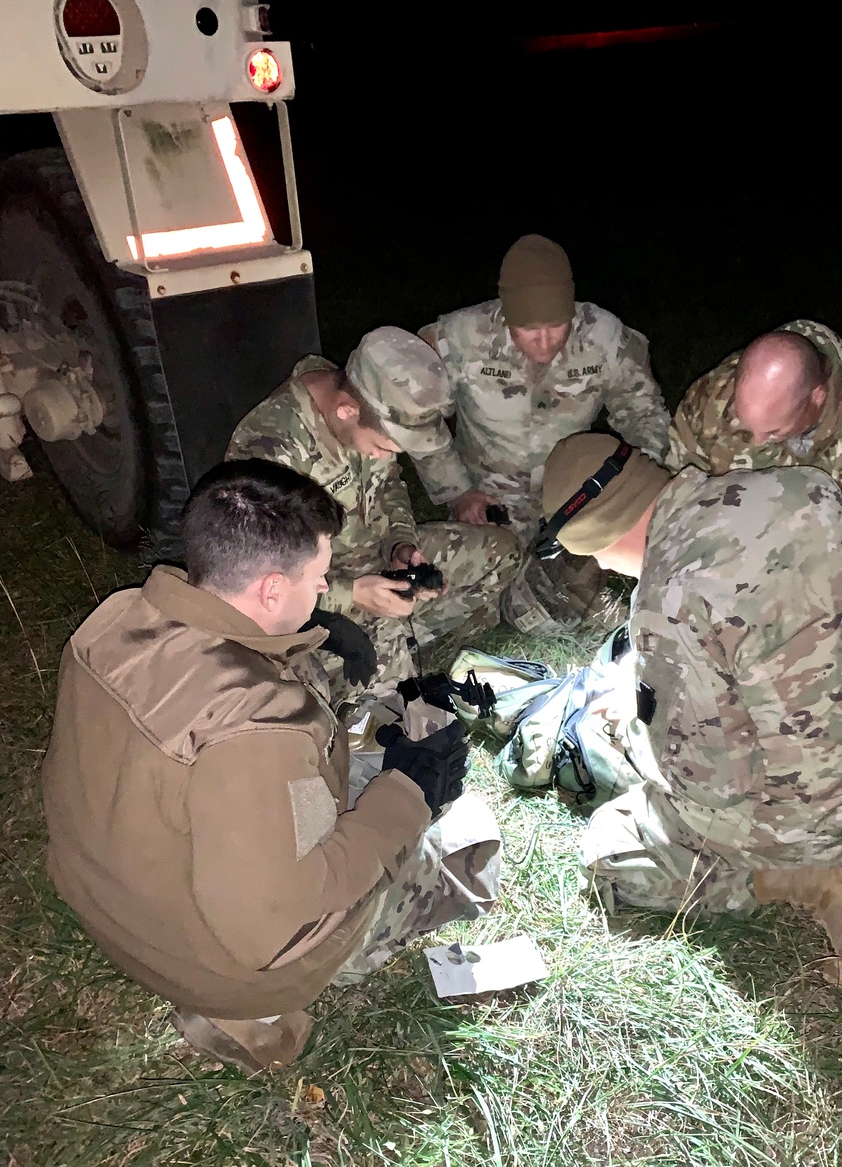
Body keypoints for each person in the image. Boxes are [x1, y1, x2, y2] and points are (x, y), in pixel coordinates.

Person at [41, 459, 502, 1073]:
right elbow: (273, 921)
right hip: (217, 966)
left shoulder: (119, 620)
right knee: (455, 837)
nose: (323, 590)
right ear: (270, 590)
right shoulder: (260, 727)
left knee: (359, 778)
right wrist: (409, 793)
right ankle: (260, 1004)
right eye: (318, 577)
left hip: (107, 895)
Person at [540, 433, 842, 990]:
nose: (607, 571)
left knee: (607, 846)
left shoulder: (667, 602)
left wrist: (633, 732)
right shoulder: (801, 484)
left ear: (602, 540)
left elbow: (710, 782)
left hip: (826, 812)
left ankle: (805, 877)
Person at [226, 327, 522, 704]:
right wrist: (354, 594)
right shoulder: (269, 449)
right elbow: (258, 586)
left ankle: (397, 631)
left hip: (379, 561)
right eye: (383, 447)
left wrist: (401, 543)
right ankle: (382, 647)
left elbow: (389, 485)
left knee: (503, 552)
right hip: (321, 591)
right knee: (394, 700)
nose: (386, 456)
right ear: (346, 410)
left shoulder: (371, 406)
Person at [410, 233, 672, 632]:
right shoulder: (459, 337)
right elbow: (417, 415)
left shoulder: (605, 337)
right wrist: (456, 491)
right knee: (477, 603)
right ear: (505, 312)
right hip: (490, 499)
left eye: (557, 326)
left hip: (574, 494)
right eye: (529, 329)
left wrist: (633, 491)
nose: (545, 342)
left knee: (575, 600)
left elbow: (644, 413)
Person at [664, 320, 842, 623]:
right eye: (745, 421)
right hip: (743, 536)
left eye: (773, 430)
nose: (756, 441)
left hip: (825, 554)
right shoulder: (718, 391)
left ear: (816, 398)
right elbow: (679, 481)